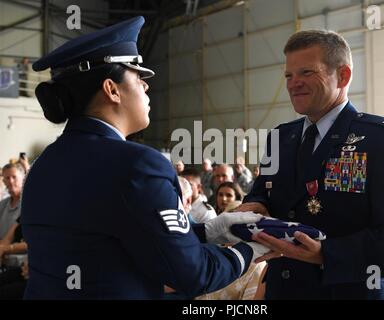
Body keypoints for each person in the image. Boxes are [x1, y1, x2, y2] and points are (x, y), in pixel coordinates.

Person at [21, 16, 269, 299]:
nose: (147, 86)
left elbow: (112, 239)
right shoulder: (138, 165)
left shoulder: (43, 164)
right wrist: (249, 250)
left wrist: (209, 230)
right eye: (138, 76)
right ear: (112, 89)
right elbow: (193, 273)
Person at [238, 30, 384, 299]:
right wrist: (255, 205)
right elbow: (262, 193)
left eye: (306, 72)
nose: (294, 84)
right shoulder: (279, 138)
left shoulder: (383, 138)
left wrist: (326, 254)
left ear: (343, 76)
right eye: (288, 76)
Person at [0, 163, 24, 239]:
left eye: (14, 177)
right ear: (3, 181)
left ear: (23, 179)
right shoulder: (3, 204)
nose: (11, 181)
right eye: (7, 178)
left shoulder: (30, 203)